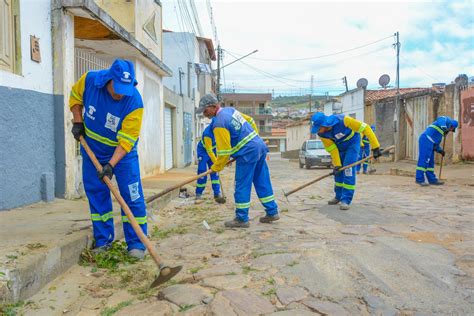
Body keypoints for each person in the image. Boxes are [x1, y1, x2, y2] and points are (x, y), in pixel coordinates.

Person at [69, 59, 147, 259]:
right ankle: (103, 240)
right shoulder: (90, 81)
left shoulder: (134, 102)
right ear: (109, 80)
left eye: (125, 89)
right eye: (118, 88)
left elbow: (127, 140)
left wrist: (111, 165)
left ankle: (137, 244)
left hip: (123, 154)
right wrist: (78, 121)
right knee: (96, 193)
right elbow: (75, 96)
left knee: (132, 196)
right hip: (92, 150)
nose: (121, 94)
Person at [197, 93, 279, 228]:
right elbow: (251, 121)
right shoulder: (231, 111)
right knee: (262, 180)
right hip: (259, 146)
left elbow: (224, 152)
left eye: (205, 111)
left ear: (213, 106)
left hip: (247, 154)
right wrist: (255, 139)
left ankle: (241, 218)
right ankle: (272, 211)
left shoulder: (218, 123)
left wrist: (216, 167)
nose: (204, 114)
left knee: (242, 184)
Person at [311, 112, 381, 210]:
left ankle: (346, 200)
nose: (318, 130)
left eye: (318, 127)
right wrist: (337, 165)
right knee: (338, 172)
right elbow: (332, 149)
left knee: (348, 170)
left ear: (324, 125)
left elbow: (366, 128)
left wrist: (375, 147)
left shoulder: (344, 120)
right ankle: (338, 196)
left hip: (352, 144)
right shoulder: (322, 134)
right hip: (339, 148)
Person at [416, 116, 458, 186]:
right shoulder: (447, 120)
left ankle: (432, 180)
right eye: (452, 129)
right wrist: (444, 128)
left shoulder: (441, 134)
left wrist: (440, 151)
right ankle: (419, 179)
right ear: (452, 126)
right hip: (426, 139)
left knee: (430, 162)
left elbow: (436, 145)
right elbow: (440, 119)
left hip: (431, 143)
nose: (450, 131)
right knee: (424, 160)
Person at [196, 120, 226, 203]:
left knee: (215, 172)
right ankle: (198, 193)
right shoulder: (207, 134)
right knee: (202, 172)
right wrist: (217, 163)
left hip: (213, 150)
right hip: (203, 151)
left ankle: (217, 193)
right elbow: (209, 151)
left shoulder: (220, 130)